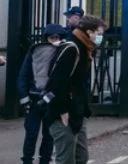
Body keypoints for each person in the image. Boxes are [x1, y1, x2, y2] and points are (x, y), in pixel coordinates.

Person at [44, 14, 106, 164]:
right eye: (99, 33)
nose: (100, 37)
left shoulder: (86, 48)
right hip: (63, 113)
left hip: (77, 111)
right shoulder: (72, 48)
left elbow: (78, 84)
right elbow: (56, 83)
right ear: (89, 32)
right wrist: (62, 110)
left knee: (81, 157)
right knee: (66, 159)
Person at [19, 24, 69, 164]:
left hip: (49, 99)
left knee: (49, 134)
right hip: (35, 98)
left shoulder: (63, 51)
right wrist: (24, 98)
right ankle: (27, 160)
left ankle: (44, 160)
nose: (55, 40)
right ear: (46, 38)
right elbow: (24, 74)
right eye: (52, 37)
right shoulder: (35, 51)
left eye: (57, 37)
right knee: (31, 133)